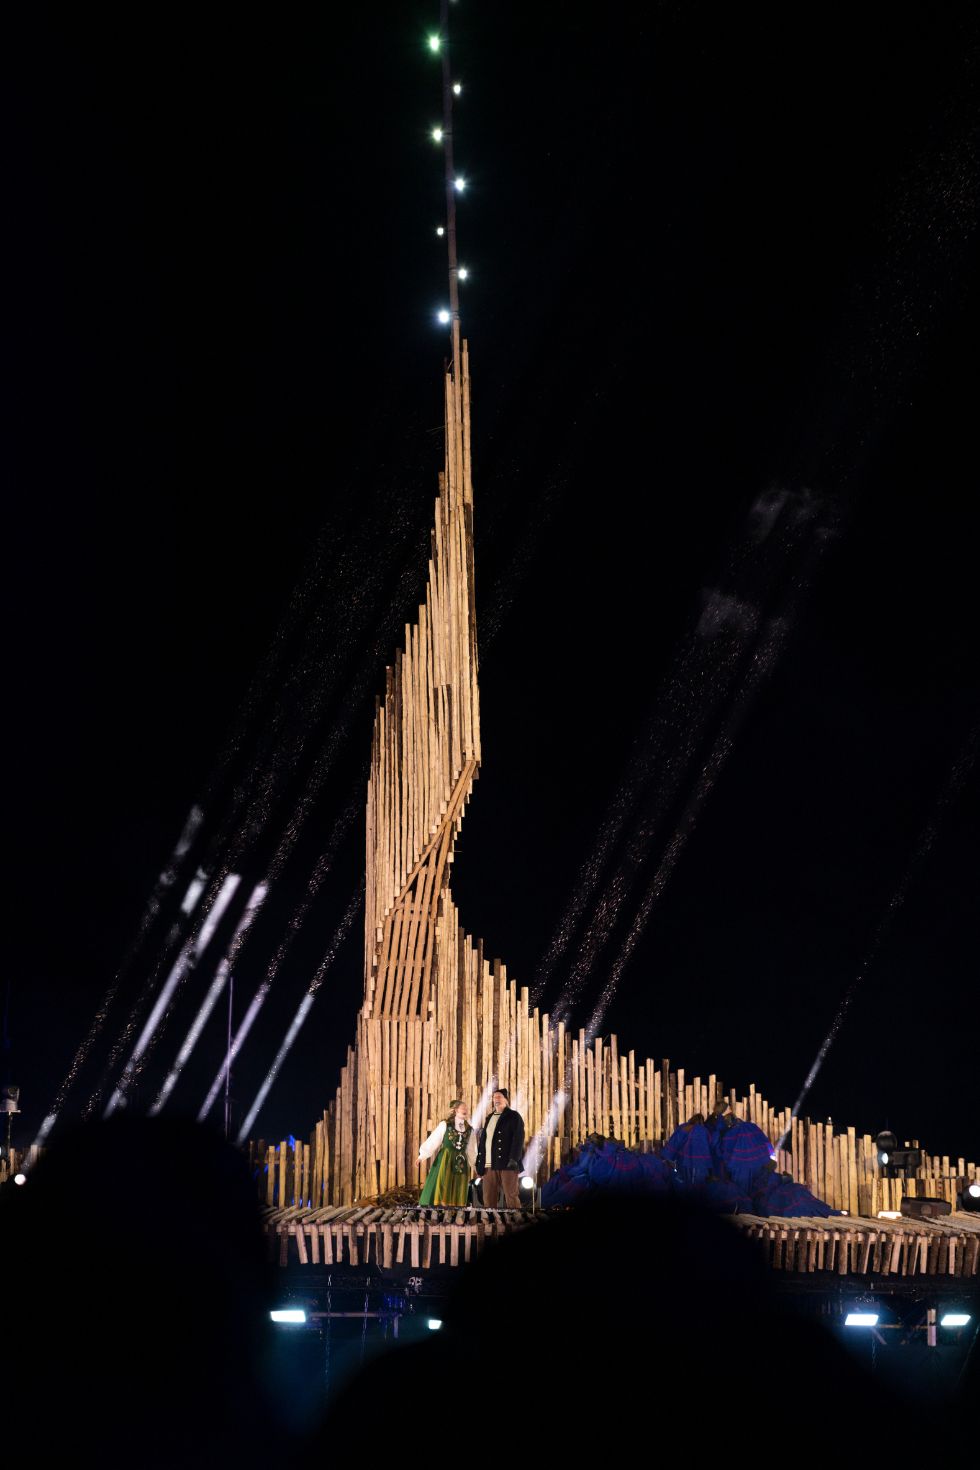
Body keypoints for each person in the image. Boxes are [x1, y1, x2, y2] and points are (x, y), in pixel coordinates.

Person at [417, 1099, 477, 1206]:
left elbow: (471, 1150)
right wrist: (422, 1156)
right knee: (443, 1183)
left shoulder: (470, 1130)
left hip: (461, 1162)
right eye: (463, 1108)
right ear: (456, 1110)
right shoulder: (446, 1125)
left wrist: (476, 1166)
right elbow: (434, 1140)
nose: (465, 1110)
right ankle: (438, 1211)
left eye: (466, 1108)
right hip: (446, 1159)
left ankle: (456, 1212)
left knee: (458, 1185)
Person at [475, 1087, 525, 1209]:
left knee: (511, 1195)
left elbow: (518, 1138)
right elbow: (484, 1141)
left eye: (499, 1097)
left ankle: (516, 1220)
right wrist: (479, 1162)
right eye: (494, 1097)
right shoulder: (489, 1117)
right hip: (489, 1164)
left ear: (506, 1100)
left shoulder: (513, 1116)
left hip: (507, 1163)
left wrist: (514, 1158)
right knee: (488, 1196)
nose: (496, 1099)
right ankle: (491, 1220)